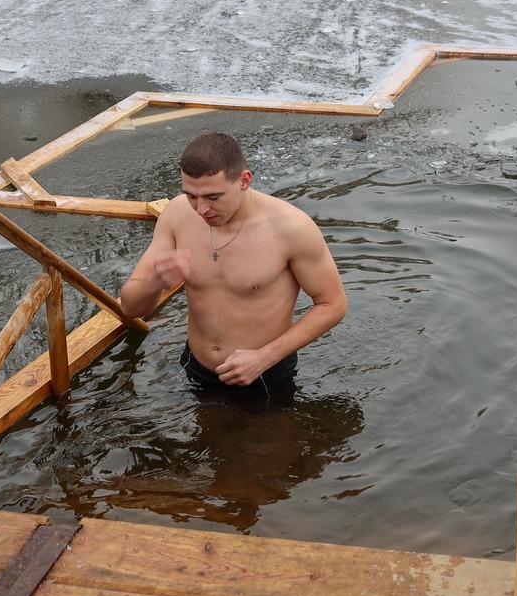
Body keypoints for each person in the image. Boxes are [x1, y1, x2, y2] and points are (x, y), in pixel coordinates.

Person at [119, 131, 347, 406]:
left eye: (213, 197)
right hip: (196, 365)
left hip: (263, 372)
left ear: (244, 181)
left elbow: (332, 304)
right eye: (191, 195)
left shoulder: (290, 228)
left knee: (266, 447)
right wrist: (154, 283)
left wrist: (265, 357)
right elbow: (130, 309)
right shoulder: (178, 215)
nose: (201, 209)